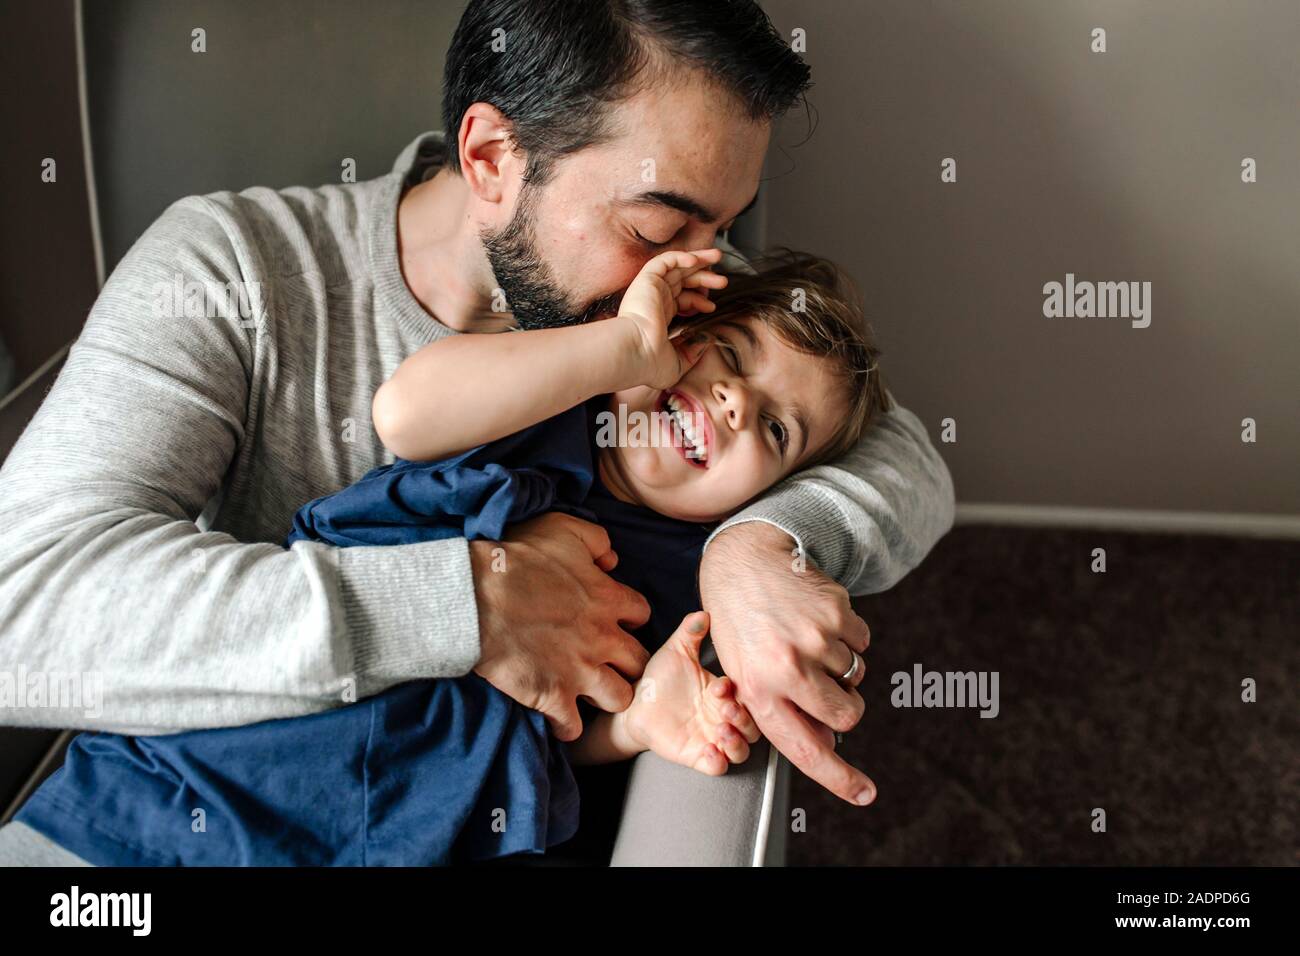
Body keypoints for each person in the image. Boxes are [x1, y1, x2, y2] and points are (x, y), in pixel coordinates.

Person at [0, 0, 954, 866]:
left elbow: (905, 456)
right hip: (165, 815)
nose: (703, 267)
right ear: (493, 158)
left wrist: (760, 545)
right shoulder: (231, 269)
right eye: (662, 224)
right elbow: (20, 616)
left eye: (723, 226)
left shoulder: (671, 316)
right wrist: (473, 604)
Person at [9, 249, 891, 865]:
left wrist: (636, 725)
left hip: (390, 837)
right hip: (172, 796)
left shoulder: (686, 583)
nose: (735, 403)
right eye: (728, 356)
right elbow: (408, 413)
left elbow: (541, 750)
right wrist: (619, 349)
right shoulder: (547, 407)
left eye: (775, 428)